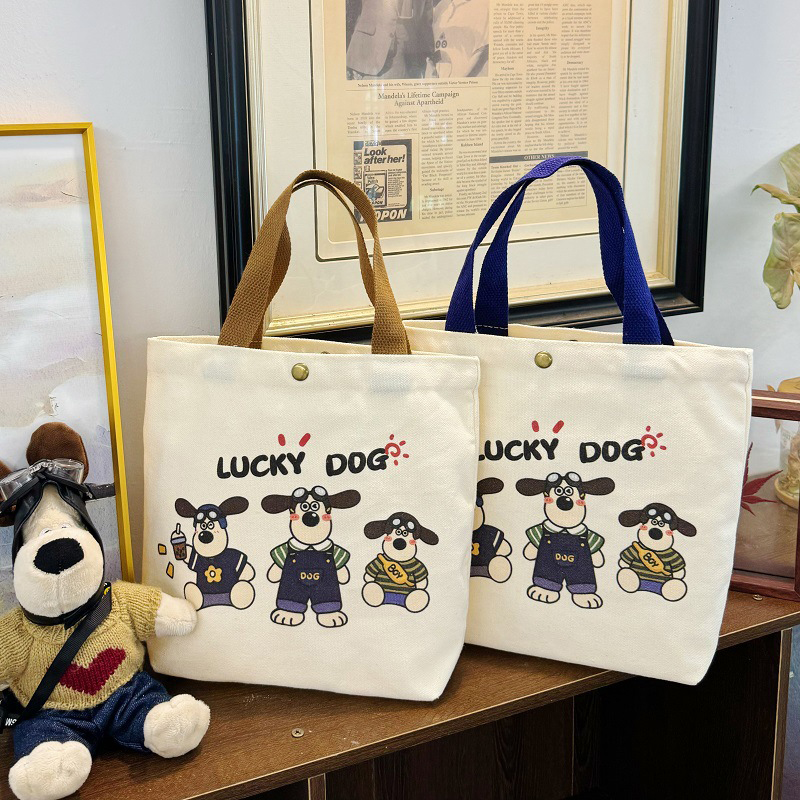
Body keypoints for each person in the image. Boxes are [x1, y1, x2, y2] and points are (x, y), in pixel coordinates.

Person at [347, 0, 434, 79]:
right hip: (372, 53)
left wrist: (429, 59)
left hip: (411, 59)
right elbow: (349, 11)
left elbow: (426, 22)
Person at [427, 0, 489, 79]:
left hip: (468, 84)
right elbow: (436, 48)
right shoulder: (441, 7)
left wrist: (458, 84)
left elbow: (482, 53)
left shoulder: (483, 6)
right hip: (442, 82)